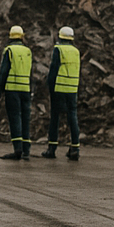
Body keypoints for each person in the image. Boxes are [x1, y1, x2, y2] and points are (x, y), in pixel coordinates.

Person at [41, 26, 82, 161]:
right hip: (72, 89)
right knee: (72, 116)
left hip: (59, 87)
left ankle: (52, 148)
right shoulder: (76, 51)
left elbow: (54, 68)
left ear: (60, 37)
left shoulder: (58, 49)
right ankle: (75, 147)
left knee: (55, 117)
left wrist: (49, 84)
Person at [0, 25, 32, 160]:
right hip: (26, 90)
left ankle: (17, 149)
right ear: (22, 36)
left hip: (12, 90)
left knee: (15, 118)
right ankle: (26, 150)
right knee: (26, 118)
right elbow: (30, 72)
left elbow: (3, 72)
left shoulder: (9, 50)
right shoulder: (28, 51)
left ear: (10, 37)